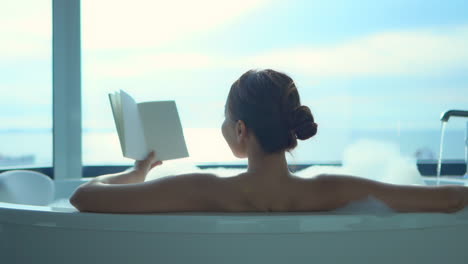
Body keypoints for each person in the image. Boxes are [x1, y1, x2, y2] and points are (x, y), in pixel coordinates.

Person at [70, 69, 467, 214]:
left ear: (241, 130)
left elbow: (84, 197)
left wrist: (137, 172)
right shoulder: (334, 188)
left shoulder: (202, 190)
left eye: (226, 121)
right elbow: (449, 199)